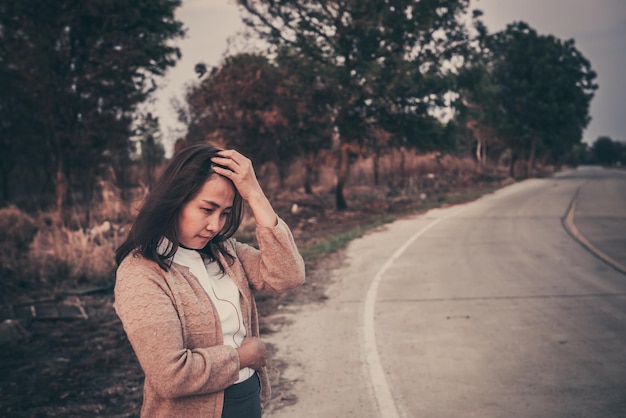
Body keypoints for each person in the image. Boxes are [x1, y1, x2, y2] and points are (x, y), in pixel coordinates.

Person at [114, 142, 305, 418]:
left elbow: (288, 275)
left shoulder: (225, 252)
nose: (215, 225)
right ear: (176, 200)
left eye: (224, 213)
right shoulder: (141, 271)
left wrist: (255, 195)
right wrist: (241, 358)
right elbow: (170, 375)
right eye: (207, 209)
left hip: (248, 402)